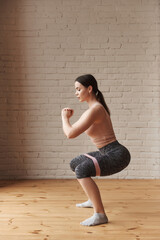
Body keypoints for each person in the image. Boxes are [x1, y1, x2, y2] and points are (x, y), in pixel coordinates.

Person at [61, 74, 131, 226]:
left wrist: (64, 118)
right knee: (75, 163)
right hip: (107, 152)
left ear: (90, 89)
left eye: (78, 89)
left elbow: (70, 133)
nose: (76, 93)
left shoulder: (96, 110)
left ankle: (100, 214)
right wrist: (68, 121)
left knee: (82, 169)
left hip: (117, 154)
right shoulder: (93, 109)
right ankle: (92, 200)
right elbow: (72, 131)